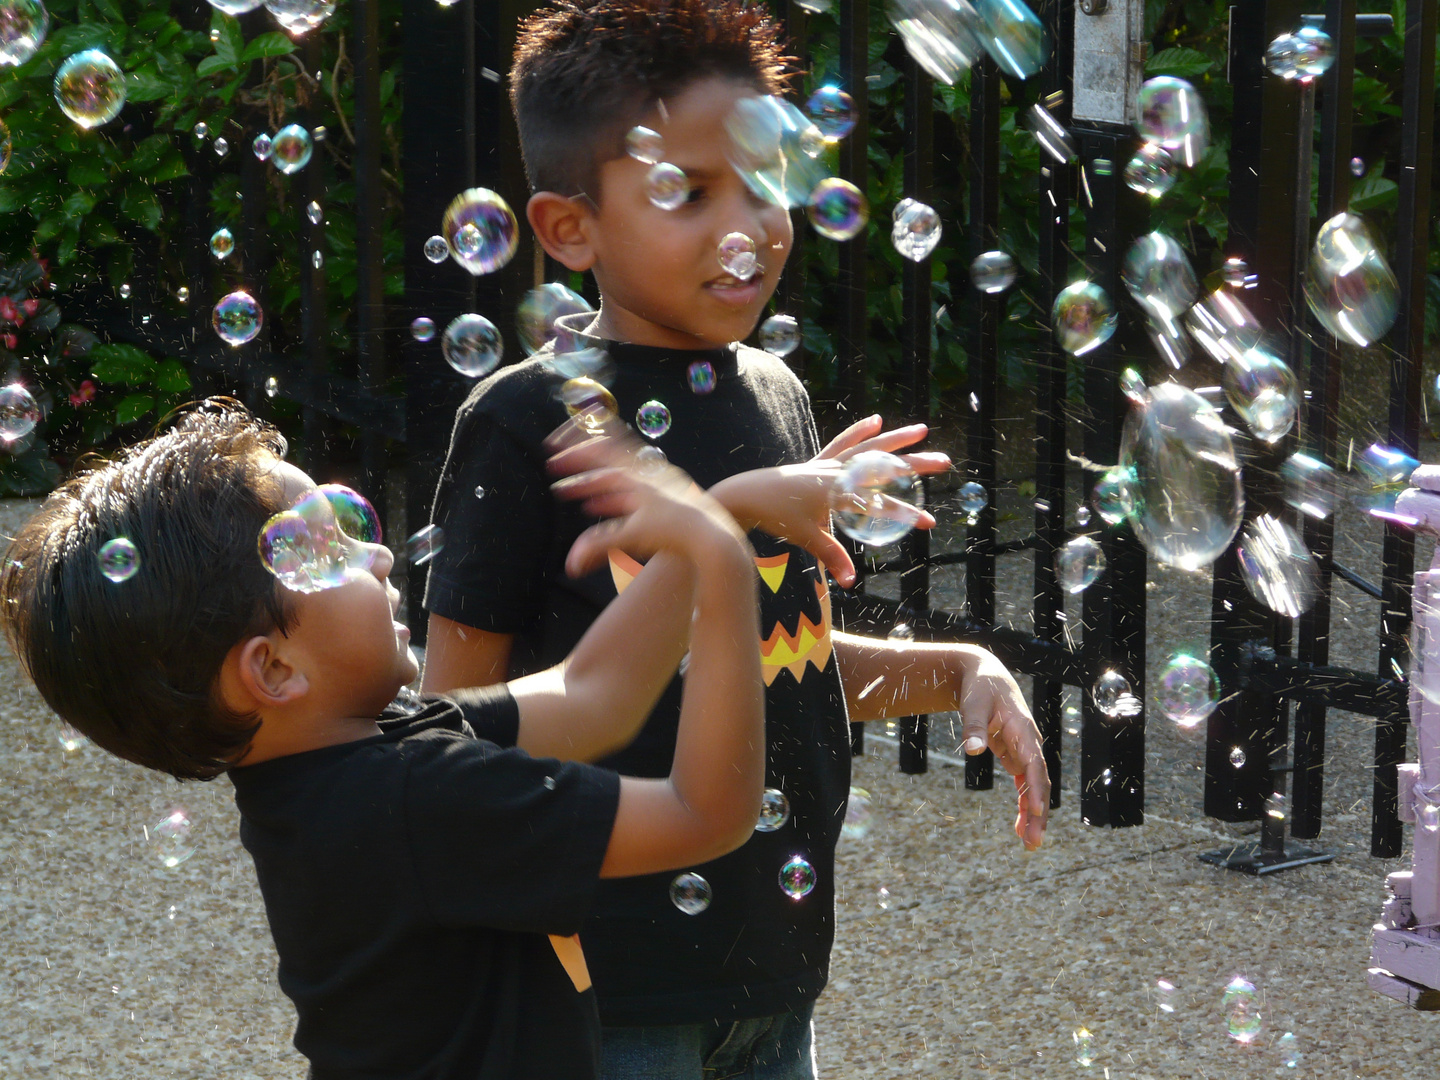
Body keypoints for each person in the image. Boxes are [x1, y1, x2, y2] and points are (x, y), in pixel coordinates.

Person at [420, 0, 1053, 1076]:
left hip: (772, 965)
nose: (746, 226)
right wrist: (742, 504)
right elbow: (450, 733)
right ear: (571, 228)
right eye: (690, 191)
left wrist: (959, 670)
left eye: (764, 181)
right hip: (600, 983)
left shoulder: (776, 394)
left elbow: (780, 661)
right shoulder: (528, 424)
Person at [0, 399, 860, 1080]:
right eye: (328, 548)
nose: (378, 558)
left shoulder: (351, 765)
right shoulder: (418, 796)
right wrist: (717, 556)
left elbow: (590, 694)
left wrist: (721, 509)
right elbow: (707, 813)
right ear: (272, 669)